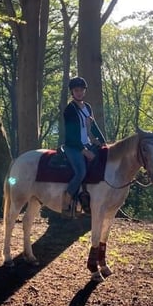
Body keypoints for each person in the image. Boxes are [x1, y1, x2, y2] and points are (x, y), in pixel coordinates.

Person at [62, 76, 106, 217]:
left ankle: (89, 198)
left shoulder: (87, 107)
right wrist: (84, 151)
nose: (79, 92)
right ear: (72, 92)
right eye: (76, 90)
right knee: (80, 172)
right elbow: (71, 135)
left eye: (81, 90)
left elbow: (93, 126)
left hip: (86, 143)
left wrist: (102, 141)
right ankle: (66, 201)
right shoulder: (70, 110)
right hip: (73, 146)